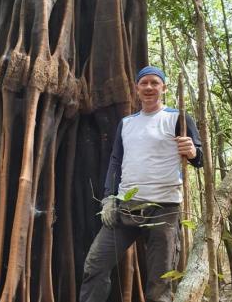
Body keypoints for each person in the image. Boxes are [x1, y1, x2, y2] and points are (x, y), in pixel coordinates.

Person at [79, 66, 203, 302]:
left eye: (155, 83)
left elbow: (200, 159)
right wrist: (108, 197)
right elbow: (116, 161)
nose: (149, 87)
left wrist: (193, 152)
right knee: (94, 265)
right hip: (126, 206)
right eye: (144, 83)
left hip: (164, 208)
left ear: (163, 88)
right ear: (136, 88)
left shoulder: (178, 117)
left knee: (159, 282)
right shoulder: (127, 123)